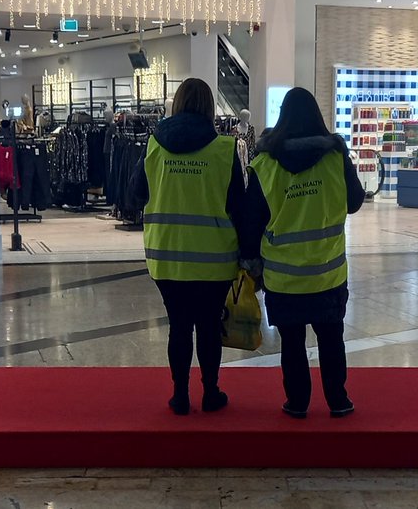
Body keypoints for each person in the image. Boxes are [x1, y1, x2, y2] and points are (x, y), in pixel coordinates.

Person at [243, 87, 364, 419]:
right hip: (328, 273)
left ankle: (297, 402)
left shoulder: (265, 164)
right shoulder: (335, 157)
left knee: (292, 344)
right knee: (331, 340)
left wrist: (250, 262)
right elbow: (354, 202)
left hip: (284, 278)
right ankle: (338, 400)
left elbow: (253, 221)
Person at [132, 78, 247, 416]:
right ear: (210, 108)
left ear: (177, 104)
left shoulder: (154, 146)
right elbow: (239, 206)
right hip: (214, 260)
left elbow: (137, 193)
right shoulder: (226, 150)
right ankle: (211, 393)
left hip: (166, 258)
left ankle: (180, 396)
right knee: (209, 327)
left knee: (179, 326)